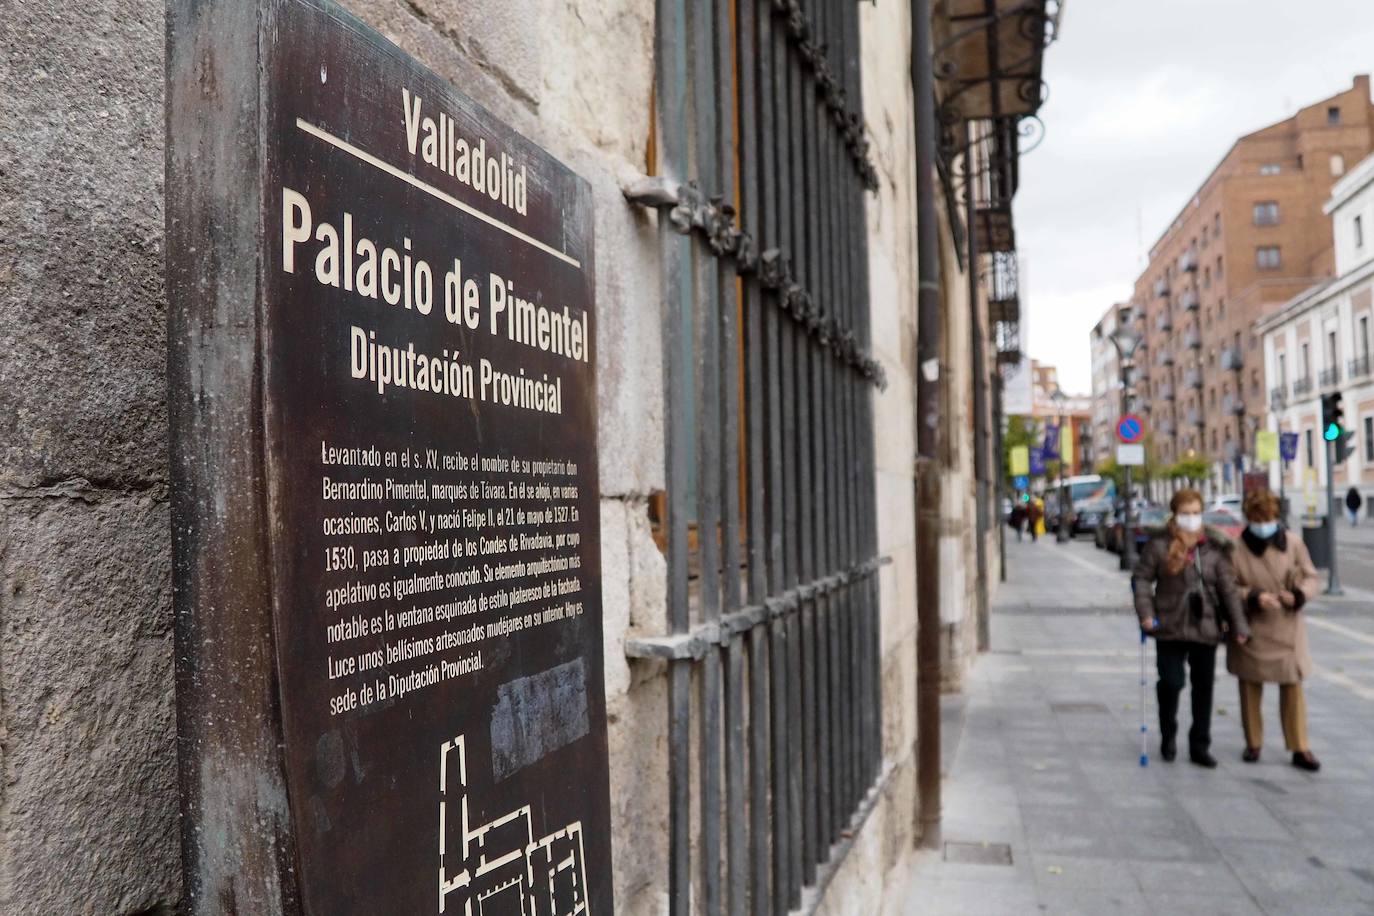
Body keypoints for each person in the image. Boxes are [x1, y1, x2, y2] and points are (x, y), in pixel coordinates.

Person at [1133, 488, 1250, 767]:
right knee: (1172, 683)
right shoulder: (1160, 545)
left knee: (1203, 688)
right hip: (1169, 625)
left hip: (1205, 626)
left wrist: (1240, 625)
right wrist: (1146, 614)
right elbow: (1141, 579)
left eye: (1196, 513)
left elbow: (1228, 589)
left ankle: (1200, 745)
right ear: (1175, 514)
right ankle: (1168, 734)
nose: (1191, 519)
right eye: (1185, 513)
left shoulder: (1212, 547)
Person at [1228, 489, 1322, 772]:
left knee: (1293, 687)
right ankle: (1253, 742)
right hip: (1254, 625)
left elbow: (1311, 577)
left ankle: (1299, 746)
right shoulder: (1237, 547)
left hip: (1286, 625)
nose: (1263, 523)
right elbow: (1228, 586)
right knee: (1249, 686)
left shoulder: (1292, 543)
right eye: (1258, 518)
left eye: (1267, 517)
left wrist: (1299, 595)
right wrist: (1253, 596)